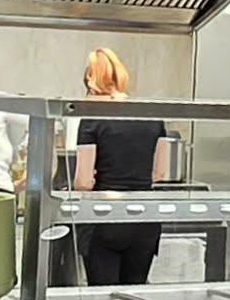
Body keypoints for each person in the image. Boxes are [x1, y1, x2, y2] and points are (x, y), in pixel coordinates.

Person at [73, 47, 171, 287]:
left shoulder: (93, 118)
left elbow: (83, 182)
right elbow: (160, 173)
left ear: (91, 82)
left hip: (105, 218)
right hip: (144, 219)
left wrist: (90, 178)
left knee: (102, 298)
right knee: (134, 295)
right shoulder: (151, 115)